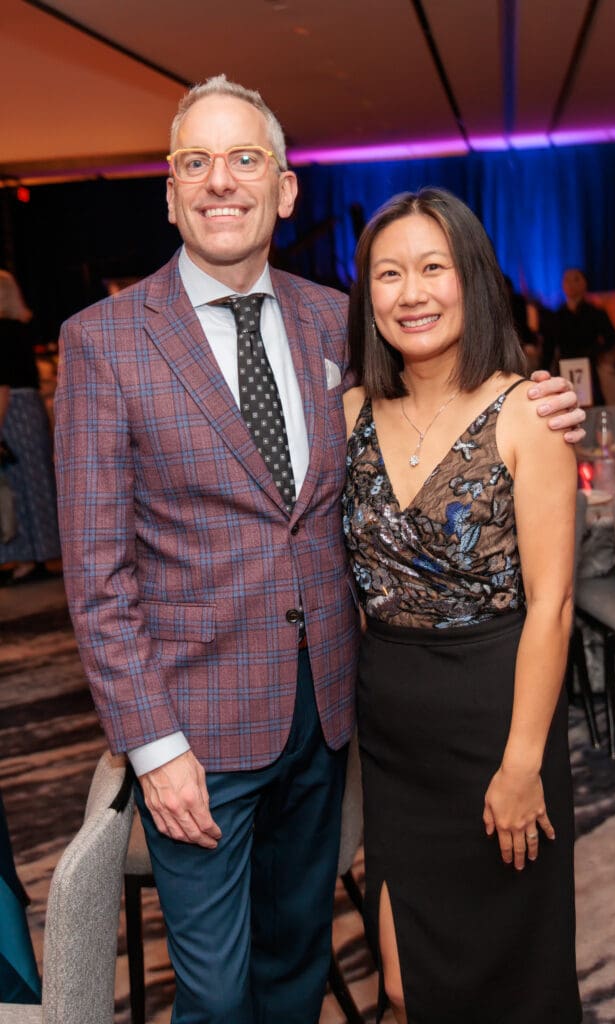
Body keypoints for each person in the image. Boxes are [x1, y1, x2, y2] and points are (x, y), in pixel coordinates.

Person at [54, 76, 584, 1024]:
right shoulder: (103, 343)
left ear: (286, 189)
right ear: (168, 191)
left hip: (333, 718)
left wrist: (544, 400)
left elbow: (434, 413)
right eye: (195, 163)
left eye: (245, 159)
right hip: (197, 731)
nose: (221, 182)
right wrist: (152, 743)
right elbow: (95, 578)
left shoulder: (330, 319)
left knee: (299, 964)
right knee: (215, 996)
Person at [343, 188, 581, 1023]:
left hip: (499, 715)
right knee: (406, 984)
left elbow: (552, 606)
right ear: (365, 294)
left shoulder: (529, 414)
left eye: (432, 268)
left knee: (512, 978)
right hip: (395, 739)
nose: (411, 293)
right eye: (388, 273)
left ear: (471, 279)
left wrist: (521, 764)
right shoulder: (348, 413)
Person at [0, 269, 61, 584]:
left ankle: (23, 556)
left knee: (15, 485)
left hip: (11, 411)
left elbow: (2, 385)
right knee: (37, 483)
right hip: (31, 409)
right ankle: (43, 552)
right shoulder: (22, 330)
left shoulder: (1, 331)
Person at [546, 267, 615, 404]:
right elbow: (548, 348)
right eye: (567, 280)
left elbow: (612, 337)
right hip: (563, 366)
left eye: (576, 280)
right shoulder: (556, 316)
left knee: (591, 405)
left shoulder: (596, 313)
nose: (571, 284)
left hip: (589, 366)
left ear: (584, 284)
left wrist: (596, 351)